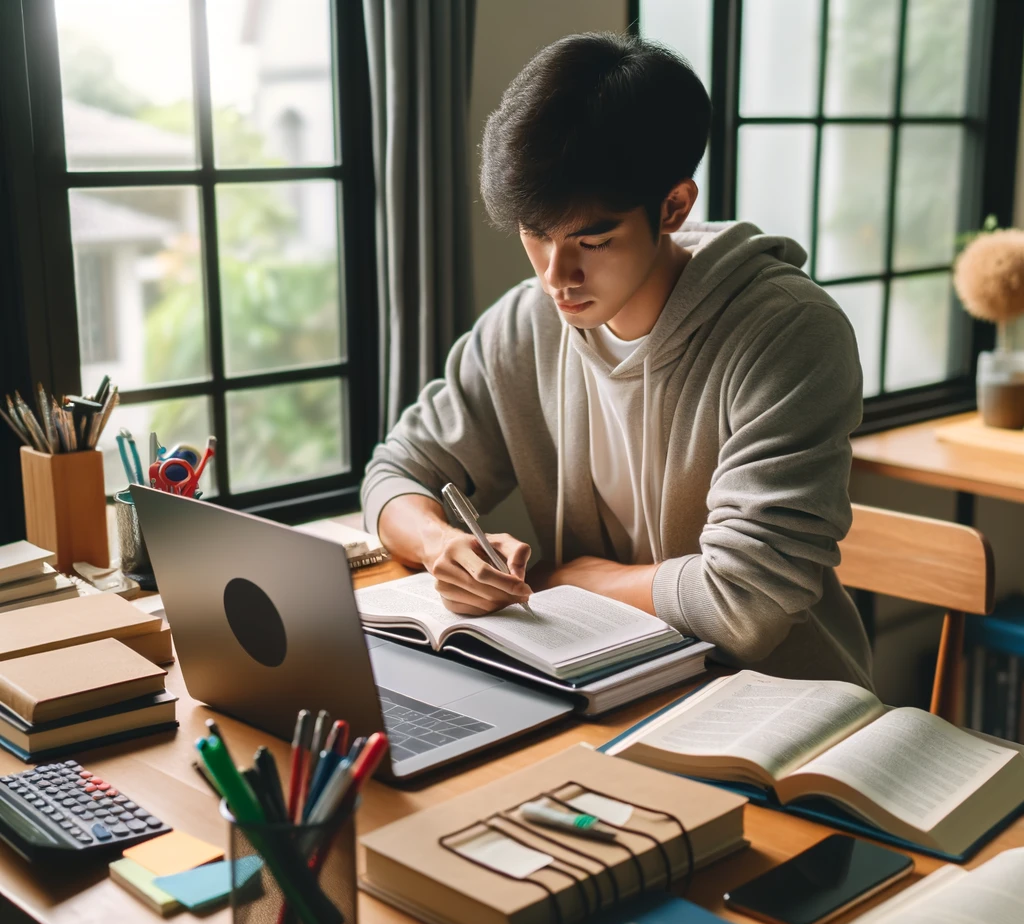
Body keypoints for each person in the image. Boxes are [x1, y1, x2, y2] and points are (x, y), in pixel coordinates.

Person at [361, 32, 872, 688]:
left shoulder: (787, 333)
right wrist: (443, 546)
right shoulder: (526, 324)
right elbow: (396, 471)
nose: (557, 275)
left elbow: (746, 603)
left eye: (592, 240)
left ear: (673, 207)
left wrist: (574, 579)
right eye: (536, 235)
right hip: (601, 686)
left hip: (777, 705)